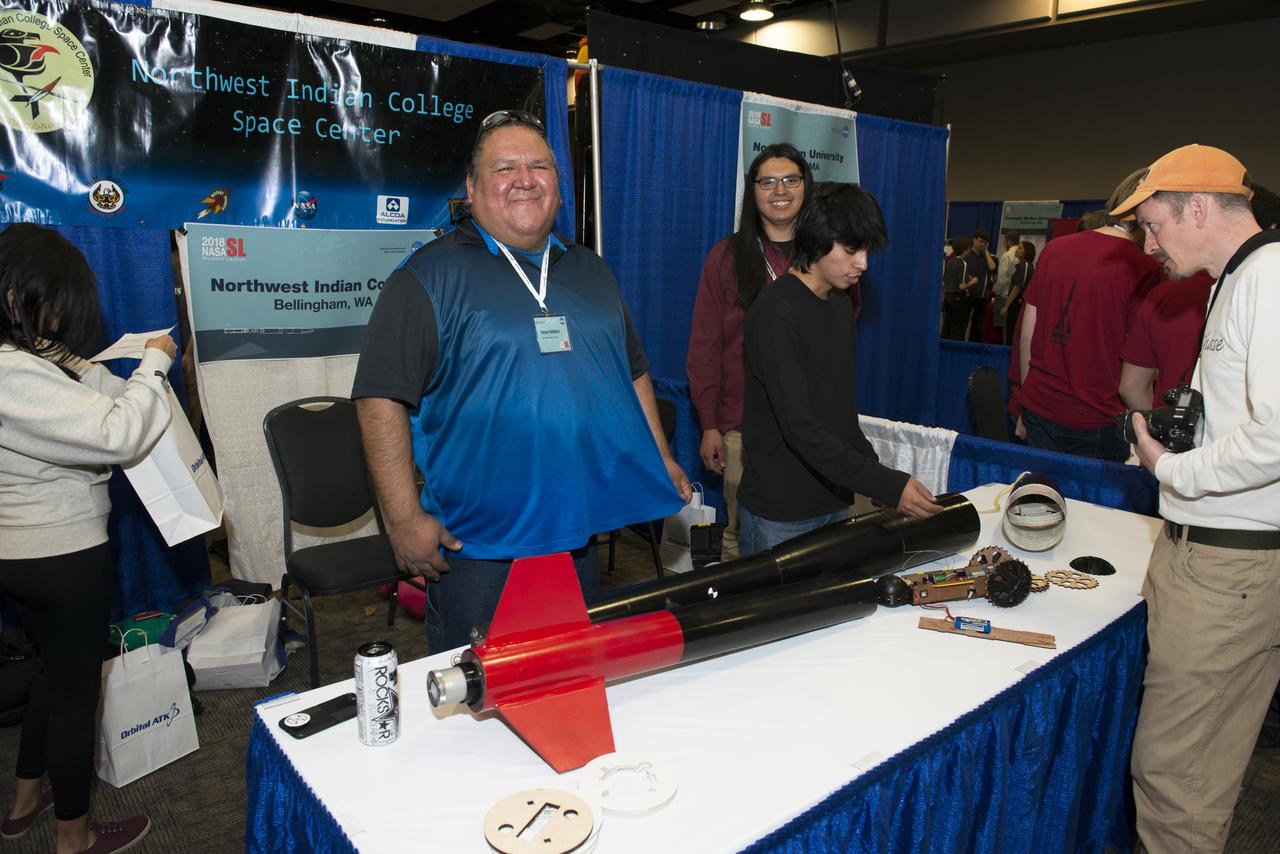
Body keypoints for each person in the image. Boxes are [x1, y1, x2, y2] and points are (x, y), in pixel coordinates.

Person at [352, 110, 689, 653]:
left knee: (566, 675)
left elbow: (633, 371)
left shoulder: (590, 270)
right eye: (505, 166)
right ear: (471, 185)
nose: (525, 178)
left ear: (559, 183)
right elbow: (379, 399)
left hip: (579, 528)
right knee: (479, 699)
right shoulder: (426, 277)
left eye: (540, 166)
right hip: (480, 545)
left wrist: (663, 457)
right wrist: (402, 516)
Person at [1114, 144, 1280, 854]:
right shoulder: (1235, 280)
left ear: (1201, 207)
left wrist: (1172, 469)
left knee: (1174, 781)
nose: (1149, 246)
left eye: (1155, 225)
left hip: (1227, 570)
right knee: (1193, 775)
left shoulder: (1268, 279)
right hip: (1210, 560)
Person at [0, 223, 174, 853]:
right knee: (78, 691)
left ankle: (25, 798)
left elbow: (73, 395)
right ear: (19, 298)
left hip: (26, 554)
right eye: (52, 308)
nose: (59, 323)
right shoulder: (9, 372)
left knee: (55, 670)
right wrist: (154, 363)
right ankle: (74, 835)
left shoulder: (27, 361)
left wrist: (79, 363)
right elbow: (117, 435)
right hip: (59, 551)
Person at [736, 183, 942, 556]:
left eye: (865, 250)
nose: (862, 263)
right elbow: (802, 429)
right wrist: (887, 483)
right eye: (851, 250)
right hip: (781, 516)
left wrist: (874, 476)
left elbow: (838, 415)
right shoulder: (774, 313)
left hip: (832, 502)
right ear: (817, 243)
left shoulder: (839, 307)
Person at [686, 143, 812, 560]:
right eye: (768, 181)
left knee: (807, 537)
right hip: (745, 426)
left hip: (812, 423)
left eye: (791, 179)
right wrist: (709, 424)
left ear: (805, 187)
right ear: (753, 191)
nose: (780, 189)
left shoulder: (825, 255)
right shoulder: (726, 258)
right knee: (742, 538)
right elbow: (706, 345)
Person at [1016, 169, 1163, 461]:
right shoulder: (1145, 268)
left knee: (1043, 501)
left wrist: (1025, 400)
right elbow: (1138, 371)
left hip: (1040, 405)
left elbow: (1026, 336)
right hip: (1099, 417)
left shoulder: (1055, 249)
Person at [1117, 249, 1213, 411]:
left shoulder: (1161, 296)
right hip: (1235, 428)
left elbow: (1130, 387)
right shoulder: (1252, 289)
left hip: (1172, 422)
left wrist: (1157, 427)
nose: (1150, 247)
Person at [994, 238, 1033, 346]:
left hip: (1018, 304)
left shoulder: (1025, 265)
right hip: (1014, 304)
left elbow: (1018, 287)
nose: (1016, 250)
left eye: (1020, 248)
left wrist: (1006, 305)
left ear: (1027, 252)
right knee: (1009, 331)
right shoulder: (1020, 265)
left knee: (1012, 332)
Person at [940, 235, 977, 340]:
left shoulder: (950, 262)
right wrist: (972, 282)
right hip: (958, 298)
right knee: (958, 329)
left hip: (948, 296)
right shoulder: (963, 263)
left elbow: (945, 280)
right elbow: (961, 286)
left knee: (946, 327)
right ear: (965, 250)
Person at [965, 229, 996, 341]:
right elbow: (963, 272)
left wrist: (986, 252)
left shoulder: (986, 256)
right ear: (974, 240)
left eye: (984, 242)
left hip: (982, 296)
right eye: (980, 241)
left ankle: (973, 348)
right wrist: (969, 278)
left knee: (978, 327)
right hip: (968, 294)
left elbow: (992, 267)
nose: (981, 244)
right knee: (964, 322)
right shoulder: (968, 255)